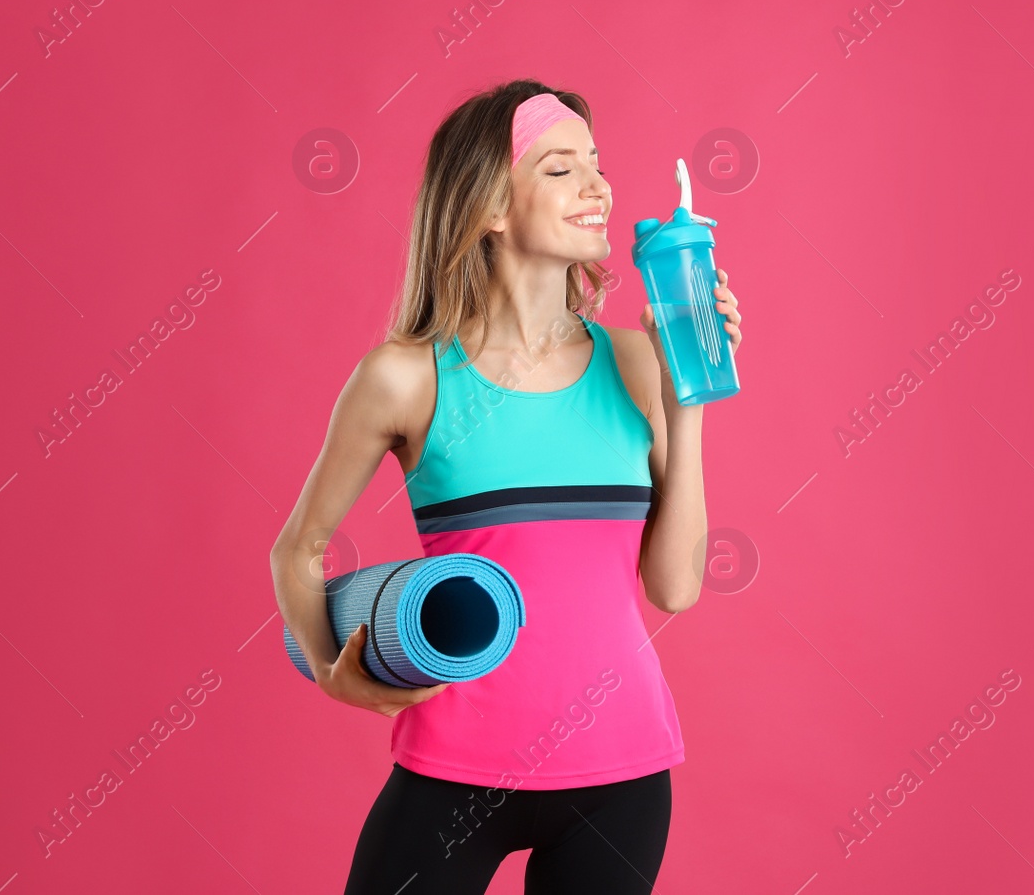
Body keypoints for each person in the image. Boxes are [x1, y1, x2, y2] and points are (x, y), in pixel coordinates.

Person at [270, 79, 743, 894]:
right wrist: (328, 667)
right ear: (490, 207)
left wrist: (684, 396)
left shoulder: (634, 363)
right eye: (562, 169)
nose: (599, 187)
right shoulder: (406, 378)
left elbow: (675, 587)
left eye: (597, 164)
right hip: (454, 767)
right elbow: (298, 550)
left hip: (622, 775)